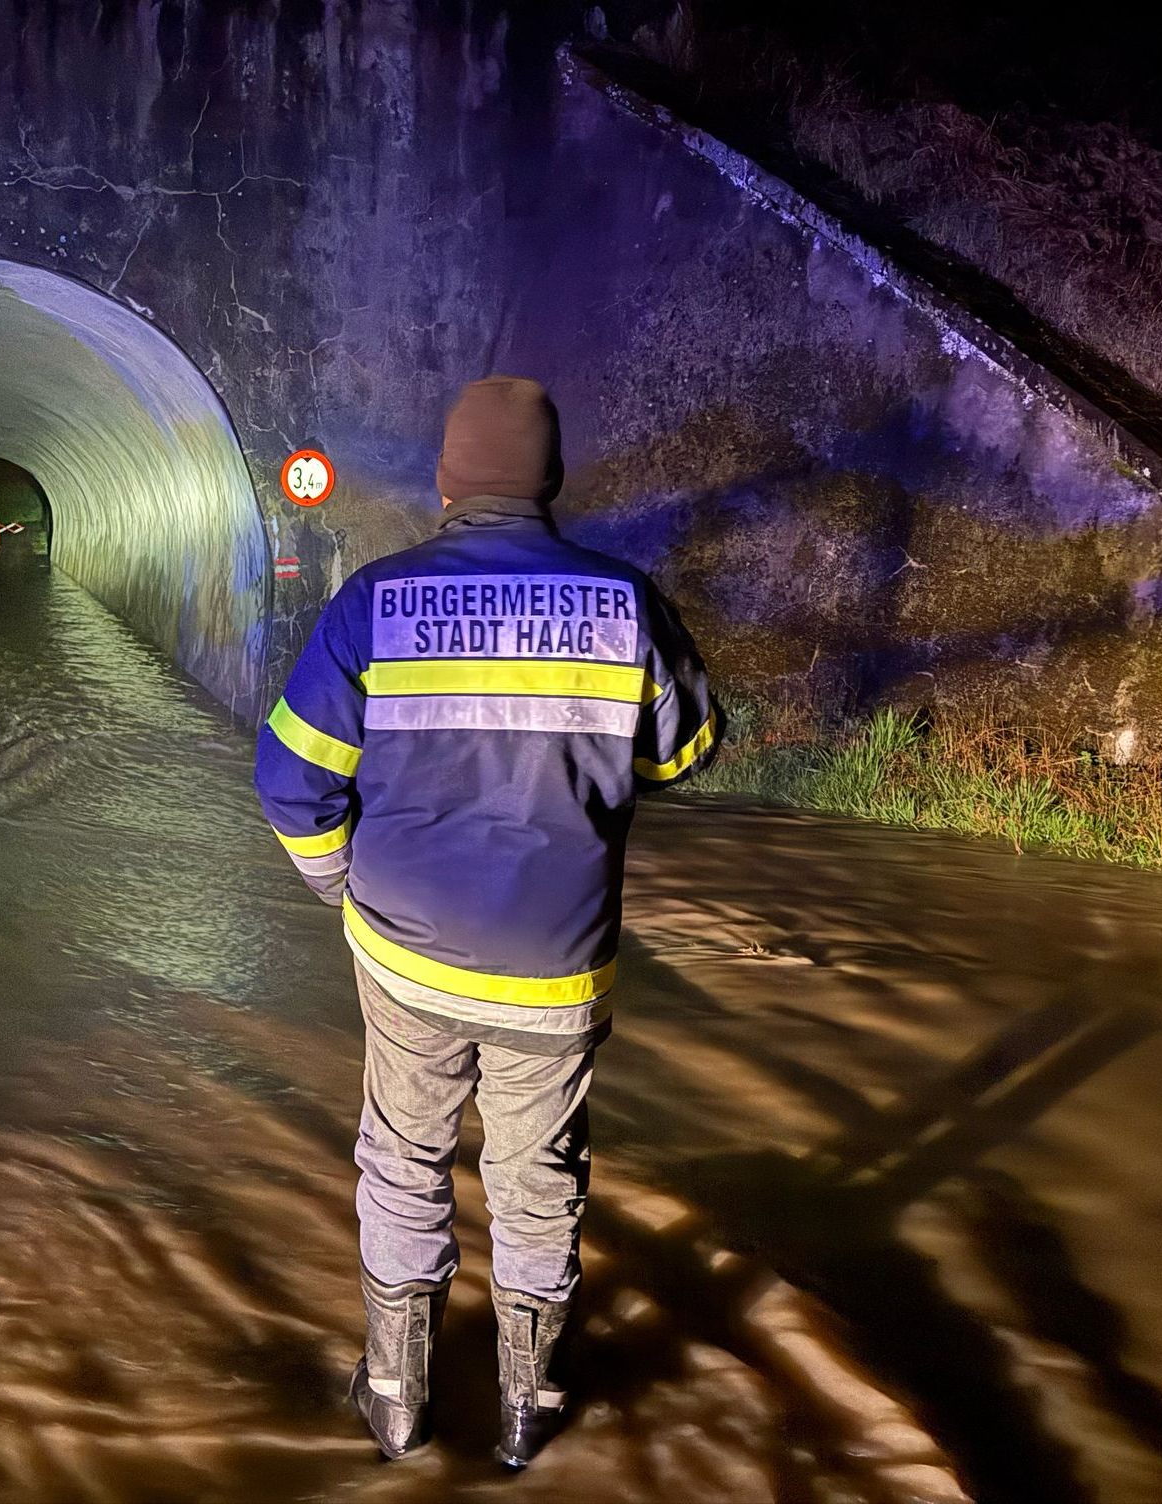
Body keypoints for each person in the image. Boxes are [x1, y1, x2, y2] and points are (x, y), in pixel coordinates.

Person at [253, 377, 716, 1467]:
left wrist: (340, 887)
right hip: (555, 968)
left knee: (404, 1156)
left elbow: (288, 780)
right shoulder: (622, 603)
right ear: (550, 482)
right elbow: (684, 751)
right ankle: (527, 1407)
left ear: (446, 481)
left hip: (407, 956)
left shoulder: (376, 602)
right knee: (537, 1173)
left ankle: (394, 1399)